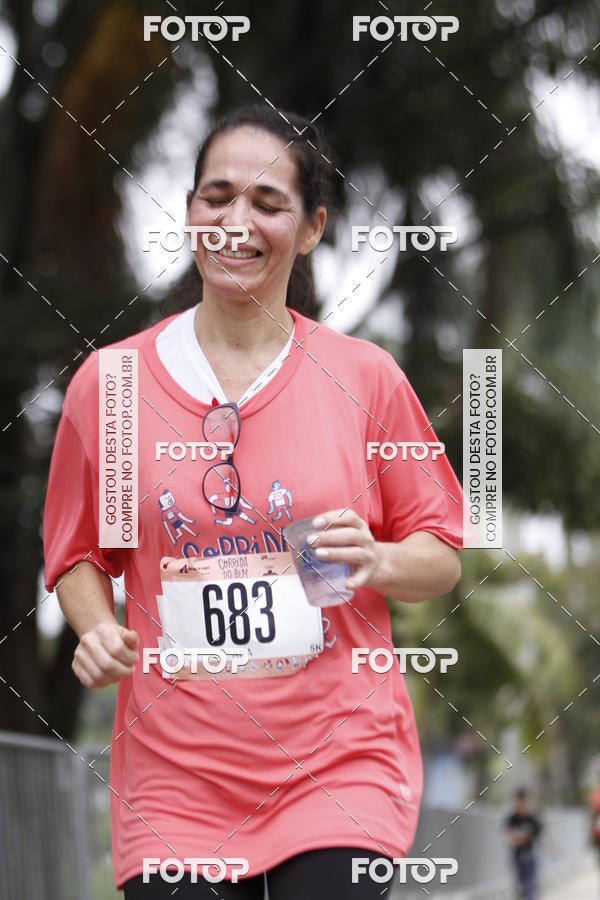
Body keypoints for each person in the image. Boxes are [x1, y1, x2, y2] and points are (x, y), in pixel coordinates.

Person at [43, 104, 464, 898]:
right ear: (191, 208)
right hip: (175, 776)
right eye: (217, 195)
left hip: (338, 764)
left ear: (310, 229)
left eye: (268, 204)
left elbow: (440, 550)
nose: (236, 221)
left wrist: (375, 558)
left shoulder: (363, 377)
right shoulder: (117, 385)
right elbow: (80, 554)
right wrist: (97, 628)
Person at [504, 788, 543, 900]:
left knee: (530, 882)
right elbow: (508, 834)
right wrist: (516, 838)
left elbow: (539, 835)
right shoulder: (512, 818)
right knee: (520, 882)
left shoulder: (532, 818)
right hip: (517, 853)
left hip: (530, 853)